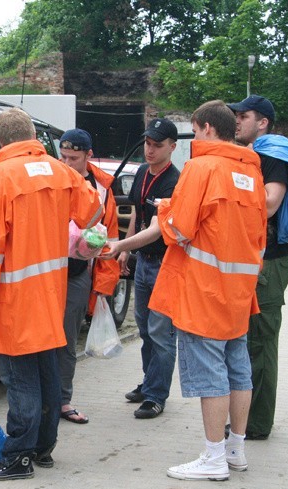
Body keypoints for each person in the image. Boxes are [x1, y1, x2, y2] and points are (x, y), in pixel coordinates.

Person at [0, 108, 103, 481]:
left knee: (20, 378)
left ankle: (18, 455)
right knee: (45, 371)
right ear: (33, 136)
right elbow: (94, 209)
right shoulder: (61, 172)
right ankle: (42, 448)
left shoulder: (0, 178)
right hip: (50, 292)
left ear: (1, 140)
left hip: (14, 297)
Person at [148, 100, 266, 481]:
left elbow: (180, 229)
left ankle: (213, 457)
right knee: (238, 369)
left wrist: (165, 209)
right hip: (239, 289)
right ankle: (235, 450)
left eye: (195, 132)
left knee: (211, 372)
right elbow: (259, 234)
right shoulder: (251, 172)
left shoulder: (202, 167)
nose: (194, 138)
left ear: (207, 129)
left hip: (203, 289)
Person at [228, 95, 288, 440]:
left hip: (270, 262)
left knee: (262, 344)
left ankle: (257, 424)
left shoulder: (272, 156)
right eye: (236, 115)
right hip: (253, 261)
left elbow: (270, 203)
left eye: (245, 115)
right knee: (248, 341)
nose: (237, 120)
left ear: (263, 122)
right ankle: (246, 417)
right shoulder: (250, 155)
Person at [112, 118, 180, 419]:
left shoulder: (174, 182)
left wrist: (120, 247)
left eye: (157, 145)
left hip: (167, 264)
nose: (150, 150)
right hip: (143, 264)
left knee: (161, 332)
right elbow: (139, 216)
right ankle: (149, 382)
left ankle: (156, 396)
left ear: (172, 147)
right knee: (144, 329)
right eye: (148, 144)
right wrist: (128, 251)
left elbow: (156, 229)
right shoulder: (141, 172)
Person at [57, 128, 120, 425]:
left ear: (89, 155)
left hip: (77, 273)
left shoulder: (102, 189)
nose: (67, 163)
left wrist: (104, 288)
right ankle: (44, 398)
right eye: (63, 156)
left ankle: (62, 400)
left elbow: (108, 240)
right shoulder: (50, 179)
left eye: (74, 158)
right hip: (44, 272)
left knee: (67, 340)